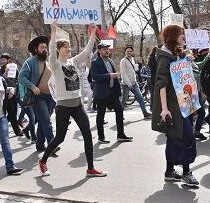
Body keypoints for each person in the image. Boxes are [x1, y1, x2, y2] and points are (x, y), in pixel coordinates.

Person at [38, 23, 106, 178]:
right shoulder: (55, 64)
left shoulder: (73, 62)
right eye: (65, 48)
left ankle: (90, 168)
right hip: (63, 106)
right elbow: (51, 50)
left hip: (77, 104)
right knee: (59, 138)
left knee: (87, 135)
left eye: (69, 48)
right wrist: (53, 32)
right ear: (58, 50)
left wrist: (93, 32)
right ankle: (43, 160)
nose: (68, 50)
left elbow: (88, 51)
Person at [151, 24, 199, 187]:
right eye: (181, 34)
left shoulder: (175, 53)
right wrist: (164, 109)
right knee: (186, 137)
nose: (183, 37)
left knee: (174, 138)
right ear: (173, 36)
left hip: (184, 103)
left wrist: (186, 59)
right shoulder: (164, 57)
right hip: (173, 106)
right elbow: (161, 85)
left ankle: (169, 171)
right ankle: (186, 172)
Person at [19, 35, 56, 153]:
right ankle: (52, 144)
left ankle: (40, 145)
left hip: (51, 96)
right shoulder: (30, 61)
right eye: (42, 47)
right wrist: (33, 87)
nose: (44, 49)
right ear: (35, 49)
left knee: (43, 121)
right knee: (46, 121)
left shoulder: (48, 61)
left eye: (45, 47)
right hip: (38, 97)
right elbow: (21, 77)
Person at [90, 42, 133, 144]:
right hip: (102, 93)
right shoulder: (95, 62)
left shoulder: (110, 61)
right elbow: (95, 76)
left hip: (112, 92)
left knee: (119, 111)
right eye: (104, 49)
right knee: (101, 115)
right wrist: (109, 75)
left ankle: (120, 135)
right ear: (99, 51)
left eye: (107, 49)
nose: (106, 51)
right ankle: (101, 137)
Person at [120, 46, 152, 119]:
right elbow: (123, 73)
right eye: (127, 51)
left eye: (130, 51)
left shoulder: (132, 59)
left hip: (134, 83)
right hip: (126, 84)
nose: (129, 52)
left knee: (140, 97)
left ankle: (145, 113)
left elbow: (133, 70)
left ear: (132, 52)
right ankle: (120, 114)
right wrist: (128, 83)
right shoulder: (123, 61)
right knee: (124, 100)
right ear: (125, 52)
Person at [0, 53, 23, 137]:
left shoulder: (14, 68)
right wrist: (4, 73)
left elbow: (18, 79)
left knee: (13, 112)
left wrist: (17, 89)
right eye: (1, 60)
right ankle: (17, 130)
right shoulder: (0, 69)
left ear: (8, 60)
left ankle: (3, 125)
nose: (2, 61)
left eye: (4, 59)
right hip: (5, 93)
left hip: (14, 93)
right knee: (11, 112)